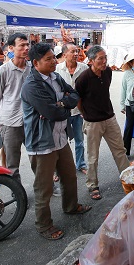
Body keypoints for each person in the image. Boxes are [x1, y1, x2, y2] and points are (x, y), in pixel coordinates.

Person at [21, 43, 92, 241]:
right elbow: (51, 112)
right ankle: (43, 225)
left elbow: (75, 94)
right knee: (44, 188)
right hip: (42, 143)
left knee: (69, 176)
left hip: (60, 138)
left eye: (54, 57)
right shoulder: (31, 86)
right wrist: (63, 105)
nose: (54, 61)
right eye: (48, 59)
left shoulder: (55, 77)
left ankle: (71, 206)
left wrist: (61, 104)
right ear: (36, 63)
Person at [74, 45, 130, 200]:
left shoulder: (108, 72)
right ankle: (92, 185)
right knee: (93, 156)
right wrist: (85, 114)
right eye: (100, 58)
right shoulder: (83, 78)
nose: (104, 61)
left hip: (109, 118)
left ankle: (128, 178)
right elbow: (77, 99)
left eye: (105, 57)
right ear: (91, 60)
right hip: (92, 122)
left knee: (120, 150)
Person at [0, 33, 31, 184]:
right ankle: (18, 193)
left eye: (27, 45)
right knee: (12, 163)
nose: (26, 48)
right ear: (11, 48)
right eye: (22, 45)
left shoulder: (32, 68)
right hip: (10, 122)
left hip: (30, 119)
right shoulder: (2, 71)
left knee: (38, 155)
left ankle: (46, 187)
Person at [54, 43, 89, 175]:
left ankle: (80, 164)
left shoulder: (84, 68)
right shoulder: (57, 69)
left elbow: (87, 90)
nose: (76, 54)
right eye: (72, 52)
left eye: (77, 51)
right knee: (59, 142)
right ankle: (57, 170)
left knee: (79, 141)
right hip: (63, 112)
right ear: (64, 55)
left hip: (78, 111)